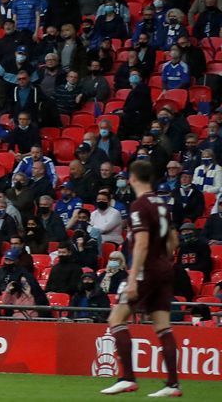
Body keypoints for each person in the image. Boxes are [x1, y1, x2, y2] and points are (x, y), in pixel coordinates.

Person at [99, 158, 182, 397]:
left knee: (116, 319)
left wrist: (134, 278)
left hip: (147, 269)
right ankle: (172, 384)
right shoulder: (162, 204)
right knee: (163, 327)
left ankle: (127, 377)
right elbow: (173, 241)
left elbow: (142, 244)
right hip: (165, 268)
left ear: (133, 178)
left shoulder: (139, 205)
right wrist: (163, 261)